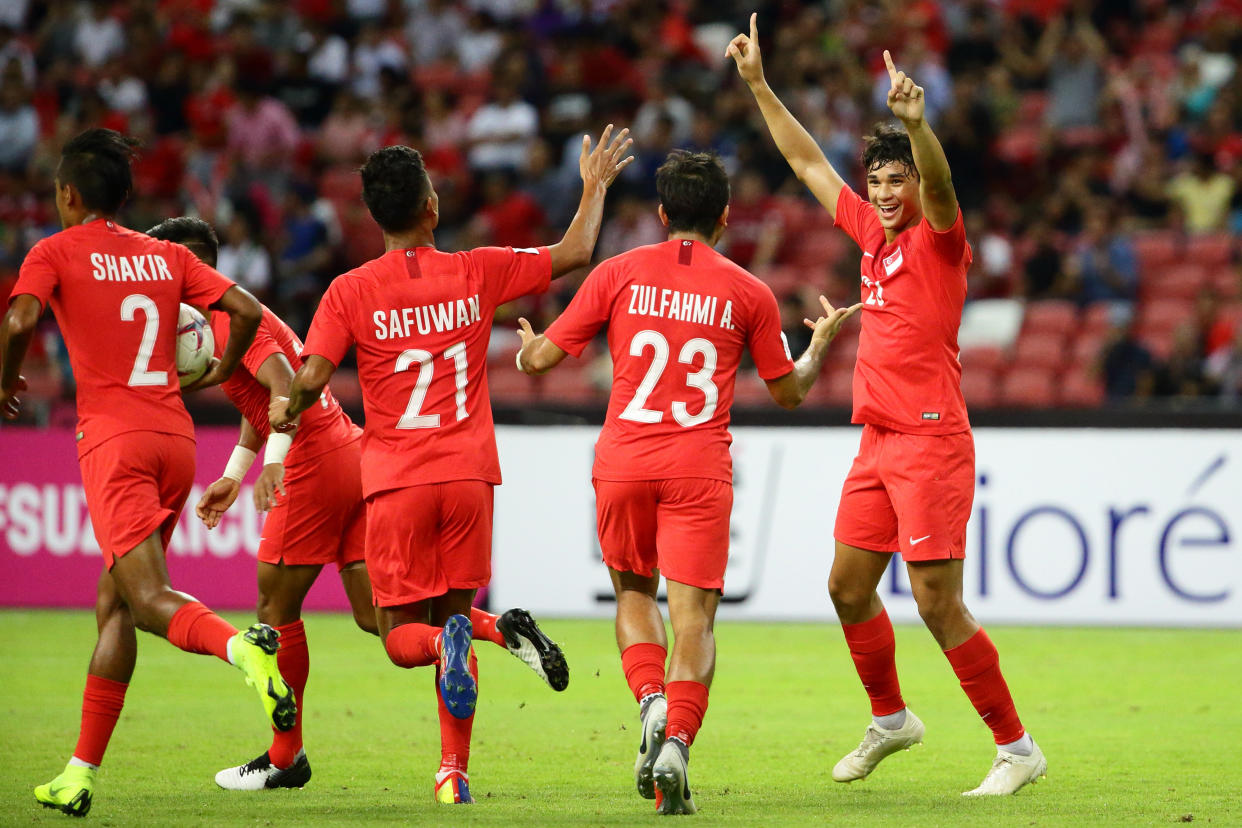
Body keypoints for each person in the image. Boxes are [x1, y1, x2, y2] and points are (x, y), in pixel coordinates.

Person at [268, 125, 633, 804]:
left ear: (374, 217)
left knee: (401, 634)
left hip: (397, 479)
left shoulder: (348, 291)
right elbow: (577, 250)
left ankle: (467, 647)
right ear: (430, 208)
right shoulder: (476, 269)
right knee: (455, 617)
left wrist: (285, 416)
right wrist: (593, 186)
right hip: (469, 474)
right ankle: (453, 771)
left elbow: (313, 373)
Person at [729, 15, 1046, 796]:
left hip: (933, 440)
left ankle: (1016, 747)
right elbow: (806, 160)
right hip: (875, 442)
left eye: (893, 180)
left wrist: (918, 126)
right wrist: (761, 86)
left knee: (939, 604)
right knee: (845, 587)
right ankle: (892, 719)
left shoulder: (940, 237)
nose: (883, 193)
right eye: (876, 182)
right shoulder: (871, 235)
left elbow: (940, 185)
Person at [147, 216, 574, 792]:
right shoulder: (240, 309)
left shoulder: (216, 321)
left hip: (313, 461)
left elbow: (282, 386)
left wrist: (275, 460)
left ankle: (285, 755)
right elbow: (266, 399)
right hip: (352, 452)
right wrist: (236, 470)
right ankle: (496, 630)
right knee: (380, 616)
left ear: (181, 262)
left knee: (274, 609)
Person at [514, 149, 860, 815]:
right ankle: (676, 739)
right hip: (698, 466)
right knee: (694, 615)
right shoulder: (748, 291)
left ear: (662, 213)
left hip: (623, 462)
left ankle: (649, 702)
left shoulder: (616, 274)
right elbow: (788, 392)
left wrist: (529, 346)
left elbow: (542, 359)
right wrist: (817, 349)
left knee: (633, 593)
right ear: (727, 218)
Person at [0, 128, 289, 818]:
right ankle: (78, 773)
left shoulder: (53, 250)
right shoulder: (163, 255)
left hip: (114, 440)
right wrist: (220, 370)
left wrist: (6, 379)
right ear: (123, 197)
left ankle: (241, 648)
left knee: (153, 598)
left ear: (68, 195)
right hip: (175, 440)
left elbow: (18, 318)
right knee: (116, 603)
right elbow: (245, 311)